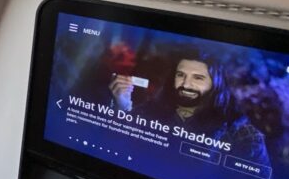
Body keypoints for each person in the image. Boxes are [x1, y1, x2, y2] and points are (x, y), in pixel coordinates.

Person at [109, 51, 269, 166]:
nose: (185, 84)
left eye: (198, 78)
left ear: (217, 83)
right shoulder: (148, 110)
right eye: (180, 75)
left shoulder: (243, 133)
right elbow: (116, 152)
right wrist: (122, 107)